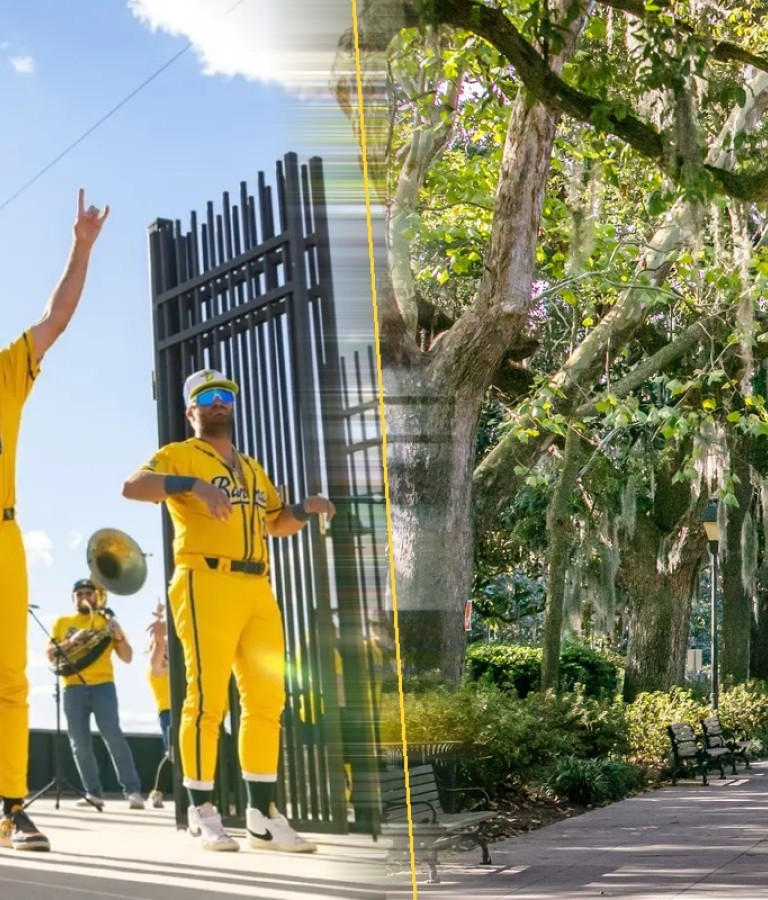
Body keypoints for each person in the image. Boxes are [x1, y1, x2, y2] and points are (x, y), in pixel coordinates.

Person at [122, 368, 335, 853]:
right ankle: (203, 811)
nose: (219, 402)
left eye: (226, 396)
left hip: (257, 585)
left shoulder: (252, 467)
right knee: (206, 699)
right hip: (205, 579)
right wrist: (191, 486)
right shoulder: (180, 455)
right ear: (190, 410)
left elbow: (275, 521)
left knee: (266, 699)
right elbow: (133, 487)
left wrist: (306, 508)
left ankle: (262, 815)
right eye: (207, 397)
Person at [0, 191, 108, 852]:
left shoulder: (5, 373)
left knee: (9, 679)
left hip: (2, 535)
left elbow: (56, 318)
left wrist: (82, 247)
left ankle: (10, 808)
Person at [48, 579, 146, 810]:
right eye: (79, 593)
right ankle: (93, 793)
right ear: (72, 598)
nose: (85, 597)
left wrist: (119, 636)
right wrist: (72, 641)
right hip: (72, 686)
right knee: (79, 743)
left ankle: (132, 791)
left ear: (97, 596)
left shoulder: (107, 621)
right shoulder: (62, 622)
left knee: (113, 737)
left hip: (103, 686)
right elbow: (50, 654)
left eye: (89, 593)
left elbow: (127, 657)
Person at [147, 602, 171, 809]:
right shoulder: (156, 668)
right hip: (168, 713)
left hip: (188, 710)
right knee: (172, 753)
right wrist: (159, 636)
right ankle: (157, 792)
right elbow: (157, 655)